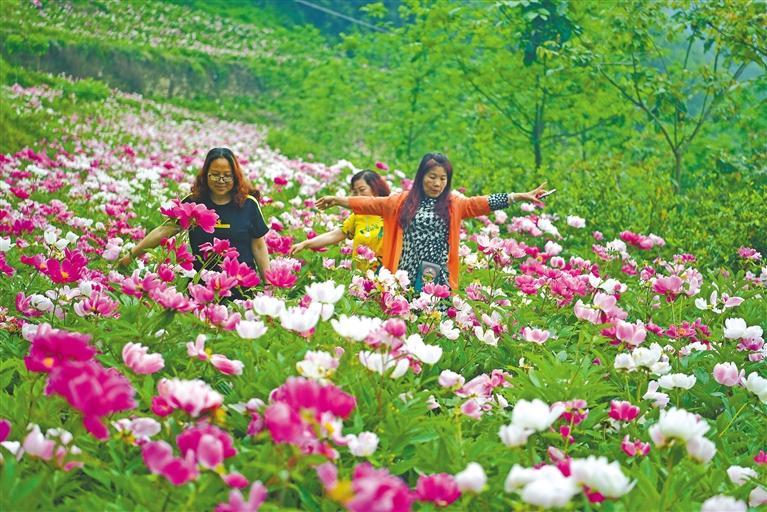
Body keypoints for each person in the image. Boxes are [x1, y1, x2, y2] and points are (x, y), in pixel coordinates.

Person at [316, 152, 551, 292]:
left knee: (429, 321)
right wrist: (338, 200)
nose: (437, 183)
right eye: (432, 177)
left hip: (436, 275)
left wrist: (517, 196)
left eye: (442, 178)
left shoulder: (453, 203)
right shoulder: (400, 202)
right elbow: (370, 204)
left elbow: (481, 202)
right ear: (421, 178)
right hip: (403, 272)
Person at [118, 147, 270, 284]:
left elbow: (258, 246)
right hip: (201, 287)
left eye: (227, 176)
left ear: (236, 177)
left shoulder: (248, 204)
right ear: (205, 175)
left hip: (241, 284)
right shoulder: (193, 203)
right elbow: (163, 231)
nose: (221, 181)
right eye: (215, 175)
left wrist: (268, 283)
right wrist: (130, 256)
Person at [290, 169, 390, 270]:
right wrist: (305, 244)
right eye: (355, 192)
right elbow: (334, 235)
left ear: (376, 188)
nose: (358, 195)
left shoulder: (392, 212)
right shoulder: (358, 216)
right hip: (362, 279)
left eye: (362, 189)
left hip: (388, 278)